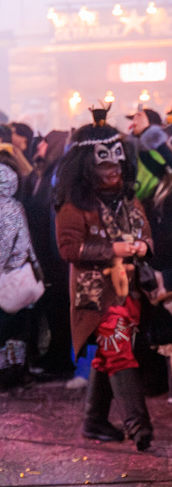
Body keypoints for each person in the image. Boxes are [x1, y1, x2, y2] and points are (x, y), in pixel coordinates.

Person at [55, 111, 154, 451]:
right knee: (118, 350)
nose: (112, 173)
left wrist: (141, 247)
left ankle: (93, 420)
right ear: (86, 167)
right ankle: (139, 426)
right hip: (95, 295)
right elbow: (68, 248)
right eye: (103, 167)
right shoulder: (74, 205)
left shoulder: (129, 200)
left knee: (110, 354)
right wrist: (113, 248)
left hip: (131, 292)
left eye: (116, 166)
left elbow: (148, 238)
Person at [23, 131, 73, 377]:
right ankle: (54, 354)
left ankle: (61, 358)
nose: (39, 145)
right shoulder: (40, 173)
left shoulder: (56, 173)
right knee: (52, 308)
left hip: (54, 254)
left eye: (44, 142)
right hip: (43, 251)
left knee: (59, 308)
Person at [0, 164, 42, 391]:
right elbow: (26, 242)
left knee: (5, 327)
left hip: (6, 275)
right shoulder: (16, 206)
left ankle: (6, 372)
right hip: (19, 273)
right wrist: (35, 267)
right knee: (17, 327)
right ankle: (17, 370)